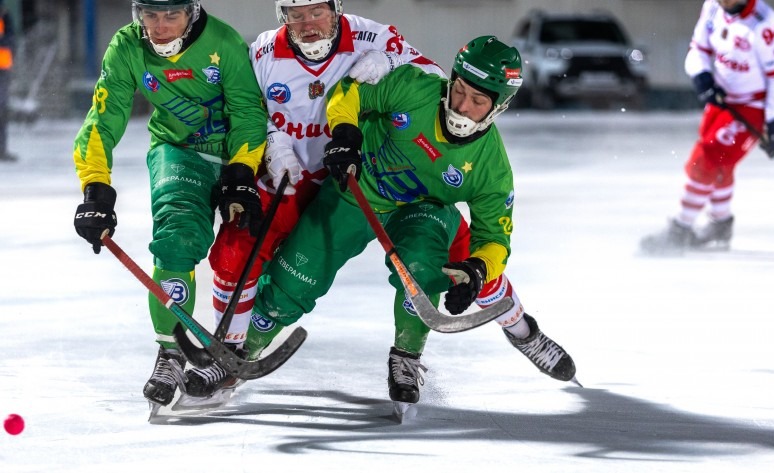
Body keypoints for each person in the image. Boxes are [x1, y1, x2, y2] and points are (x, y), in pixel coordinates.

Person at [238, 35, 577, 409]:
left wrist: (478, 269)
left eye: (478, 102)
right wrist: (345, 133)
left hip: (422, 211)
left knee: (428, 269)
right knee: (296, 276)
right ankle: (241, 351)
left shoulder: (491, 168)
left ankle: (410, 356)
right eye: (460, 90)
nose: (462, 107)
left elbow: (495, 238)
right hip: (358, 190)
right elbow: (350, 92)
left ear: (499, 107)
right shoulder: (415, 88)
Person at [183, 0, 443, 397]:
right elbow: (238, 104)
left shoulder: (374, 37)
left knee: (419, 254)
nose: (307, 24)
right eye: (295, 14)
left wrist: (392, 65)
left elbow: (439, 82)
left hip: (355, 182)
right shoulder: (262, 52)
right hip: (285, 176)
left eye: (317, 12)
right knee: (236, 252)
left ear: (337, 8)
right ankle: (227, 354)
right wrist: (272, 140)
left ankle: (413, 355)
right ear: (281, 15)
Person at [72, 0, 268, 408]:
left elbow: (249, 114)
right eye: (151, 15)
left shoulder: (224, 42)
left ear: (191, 13)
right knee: (176, 240)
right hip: (178, 151)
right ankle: (171, 354)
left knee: (247, 251)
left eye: (171, 15)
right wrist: (95, 189)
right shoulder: (127, 48)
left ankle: (236, 343)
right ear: (137, 13)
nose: (160, 27)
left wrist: (241, 173)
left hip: (235, 155)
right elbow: (102, 120)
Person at [640, 0, 774, 254]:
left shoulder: (765, 24)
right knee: (721, 166)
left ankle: (681, 228)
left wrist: (772, 122)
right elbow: (697, 50)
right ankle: (720, 223)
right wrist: (702, 76)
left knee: (705, 162)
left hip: (750, 107)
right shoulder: (712, 7)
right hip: (721, 102)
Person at [0, 0, 15, 162]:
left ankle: (2, 149)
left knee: (2, 110)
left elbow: (11, 39)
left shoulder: (5, 17)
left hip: (3, 68)